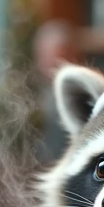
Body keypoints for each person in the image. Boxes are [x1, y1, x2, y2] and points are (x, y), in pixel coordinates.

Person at [32, 20, 77, 164]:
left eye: (62, 57)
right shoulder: (29, 96)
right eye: (50, 58)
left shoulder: (82, 97)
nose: (56, 65)